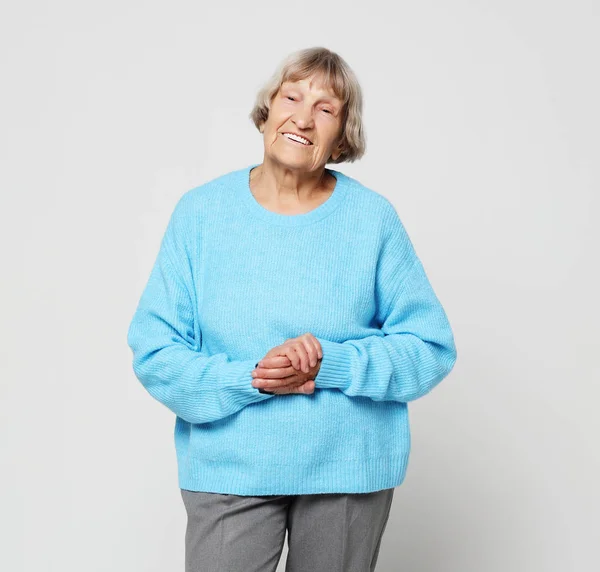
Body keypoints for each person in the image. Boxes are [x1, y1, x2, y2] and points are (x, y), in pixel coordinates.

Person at [127, 46, 457, 572]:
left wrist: (333, 363)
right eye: (292, 96)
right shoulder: (201, 215)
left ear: (342, 135)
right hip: (229, 469)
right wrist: (251, 379)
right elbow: (155, 351)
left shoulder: (372, 220)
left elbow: (431, 348)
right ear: (267, 112)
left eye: (326, 108)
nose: (304, 116)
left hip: (346, 470)